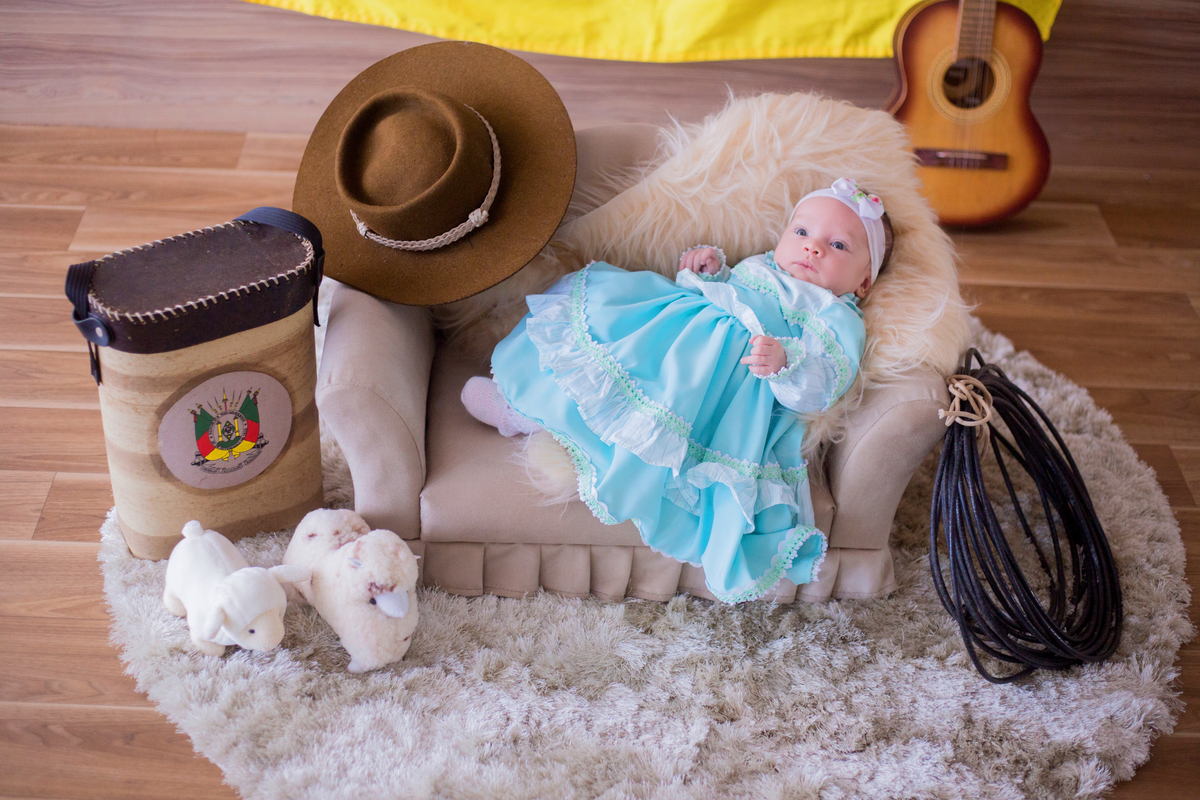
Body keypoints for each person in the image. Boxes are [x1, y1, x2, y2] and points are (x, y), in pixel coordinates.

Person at [463, 178, 893, 603]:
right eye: (801, 232)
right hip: (673, 335)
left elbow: (825, 386)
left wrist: (786, 362)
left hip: (723, 387)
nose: (812, 247)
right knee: (611, 348)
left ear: (863, 283)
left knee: (653, 421)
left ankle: (535, 426)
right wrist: (706, 272)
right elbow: (724, 293)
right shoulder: (761, 267)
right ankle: (520, 407)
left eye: (838, 246)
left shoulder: (837, 318)